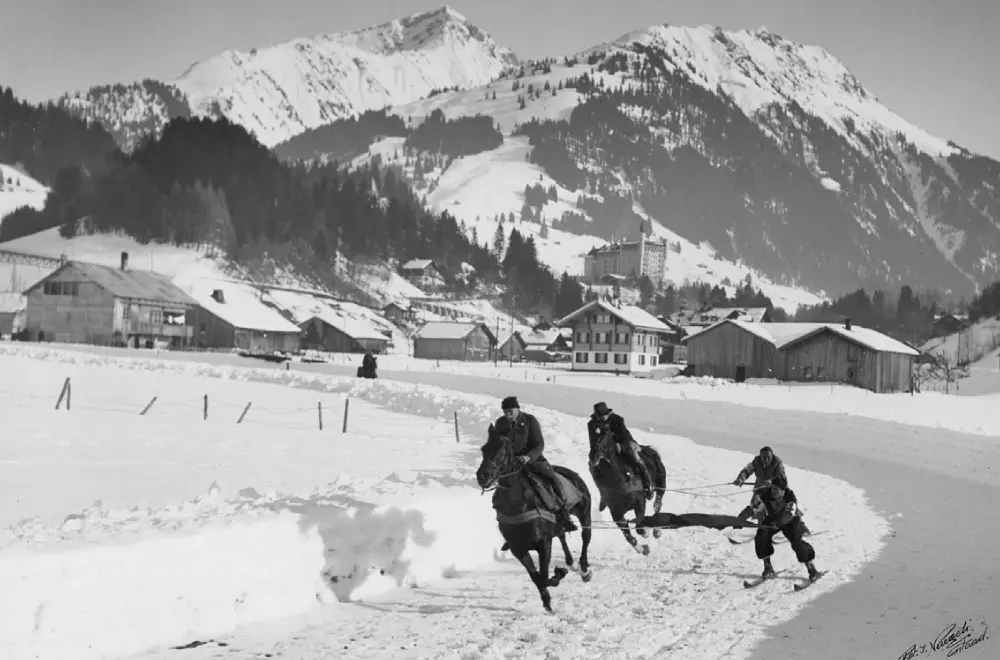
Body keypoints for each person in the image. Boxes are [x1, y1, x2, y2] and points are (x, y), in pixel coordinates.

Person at [493, 396, 577, 532]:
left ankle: (562, 513)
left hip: (533, 460)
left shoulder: (529, 421)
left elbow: (539, 444)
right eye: (505, 412)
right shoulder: (500, 423)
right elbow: (497, 444)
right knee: (502, 485)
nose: (508, 414)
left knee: (551, 477)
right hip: (511, 465)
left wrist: (528, 457)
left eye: (510, 411)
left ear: (517, 409)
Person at [750, 477, 821, 582]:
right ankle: (768, 566)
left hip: (790, 521)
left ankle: (811, 567)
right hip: (773, 518)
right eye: (772, 488)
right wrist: (757, 492)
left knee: (796, 543)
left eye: (776, 490)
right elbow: (757, 495)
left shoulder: (791, 499)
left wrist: (777, 523)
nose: (773, 491)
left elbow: (788, 515)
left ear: (783, 491)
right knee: (761, 534)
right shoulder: (767, 493)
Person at [733, 446, 811, 535]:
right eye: (764, 457)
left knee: (789, 508)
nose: (766, 459)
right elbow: (747, 471)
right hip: (761, 489)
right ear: (760, 456)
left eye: (768, 457)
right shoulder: (756, 461)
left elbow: (780, 478)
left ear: (772, 456)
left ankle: (802, 528)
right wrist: (740, 479)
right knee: (754, 505)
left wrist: (770, 481)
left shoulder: (778, 464)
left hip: (779, 490)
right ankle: (738, 523)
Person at [587, 402, 654, 500]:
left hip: (623, 443)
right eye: (599, 417)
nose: (601, 419)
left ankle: (648, 485)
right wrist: (595, 453)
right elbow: (592, 441)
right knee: (592, 465)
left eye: (603, 417)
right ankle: (603, 493)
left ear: (608, 414)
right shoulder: (592, 424)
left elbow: (625, 435)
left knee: (634, 457)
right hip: (602, 448)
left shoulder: (617, 420)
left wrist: (618, 444)